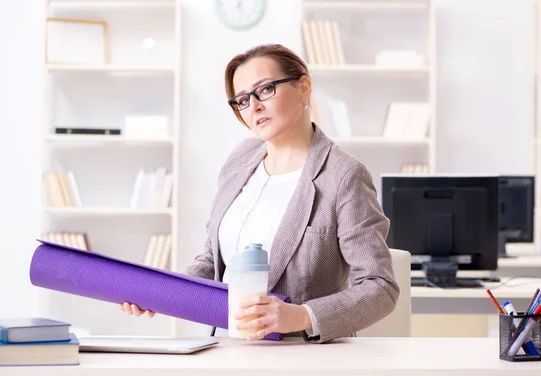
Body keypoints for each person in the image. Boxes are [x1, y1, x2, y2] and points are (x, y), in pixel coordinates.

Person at [120, 43, 399, 343]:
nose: (253, 107)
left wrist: (301, 316)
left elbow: (380, 287)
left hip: (301, 356)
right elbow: (213, 260)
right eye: (242, 99)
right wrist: (162, 293)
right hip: (225, 347)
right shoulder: (240, 160)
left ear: (304, 88)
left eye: (265, 90)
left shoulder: (344, 176)